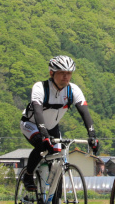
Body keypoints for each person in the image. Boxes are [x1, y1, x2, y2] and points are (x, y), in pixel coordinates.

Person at [20, 55, 99, 194]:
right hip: (32, 124)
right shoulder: (40, 87)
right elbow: (38, 113)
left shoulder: (73, 90)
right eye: (62, 72)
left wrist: (92, 135)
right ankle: (28, 175)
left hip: (53, 127)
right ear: (52, 73)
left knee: (59, 162)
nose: (66, 76)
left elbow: (85, 113)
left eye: (68, 73)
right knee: (41, 145)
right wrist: (44, 135)